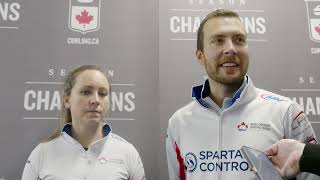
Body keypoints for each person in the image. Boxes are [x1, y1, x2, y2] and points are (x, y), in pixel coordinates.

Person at [165, 9, 319, 180]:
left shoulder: (286, 112)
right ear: (200, 56)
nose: (231, 48)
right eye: (218, 40)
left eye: (239, 40)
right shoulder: (179, 123)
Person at [22, 65, 145, 180]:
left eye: (102, 94)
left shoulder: (127, 153)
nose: (96, 100)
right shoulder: (42, 153)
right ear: (67, 100)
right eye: (86, 92)